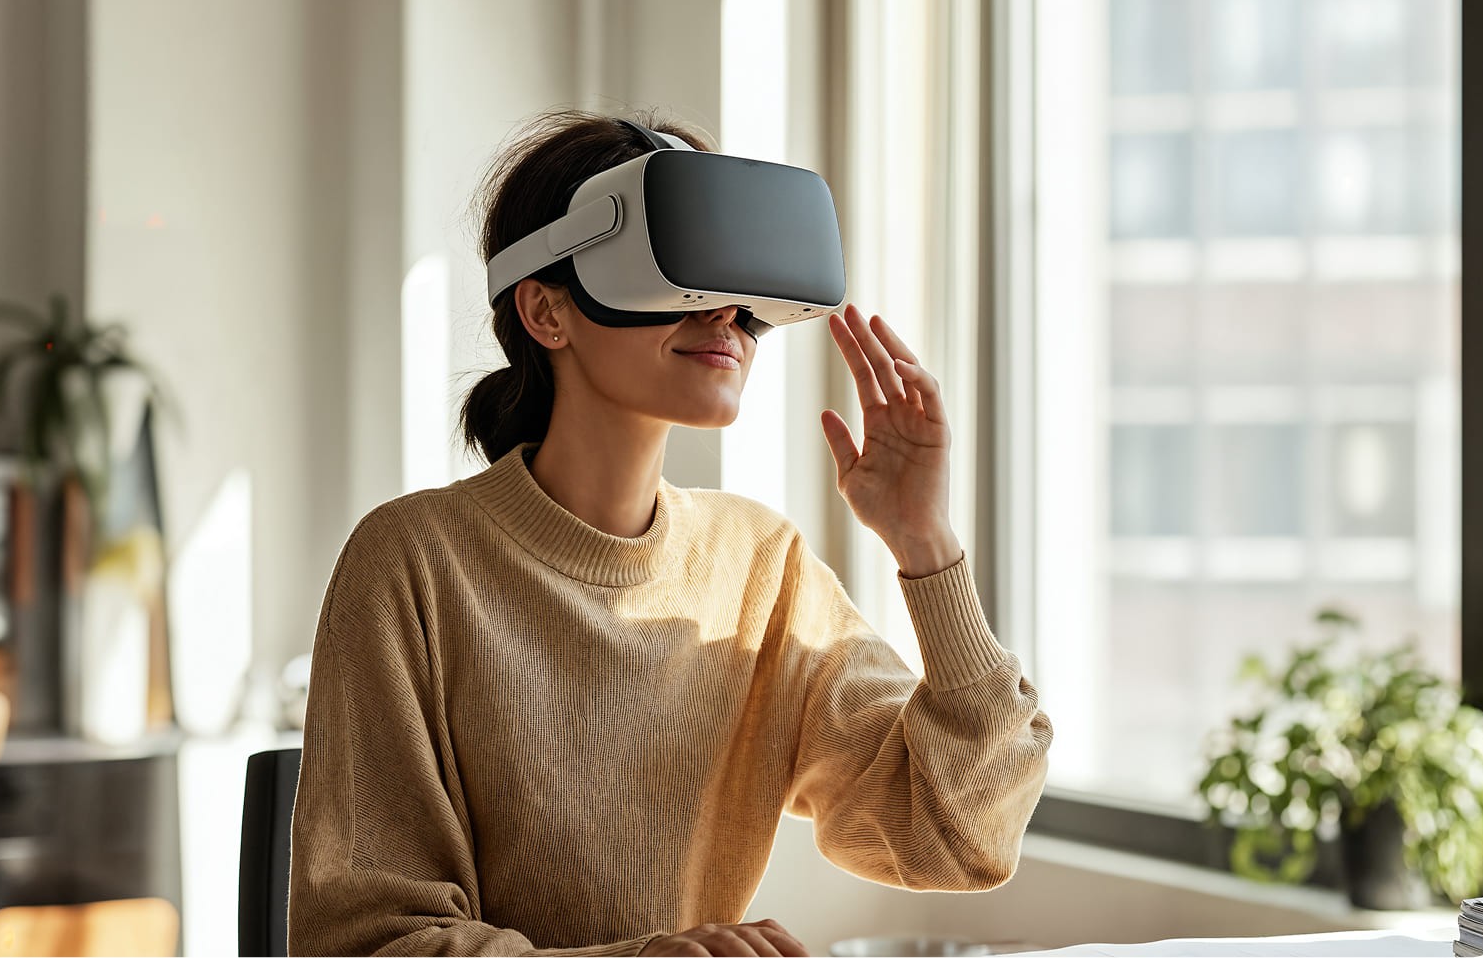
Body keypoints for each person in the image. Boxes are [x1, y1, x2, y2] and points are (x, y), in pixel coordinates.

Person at [287, 107, 1054, 957]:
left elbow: (959, 836)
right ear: (547, 310)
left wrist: (926, 543)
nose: (725, 312)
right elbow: (362, 944)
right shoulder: (413, 563)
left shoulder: (760, 566)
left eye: (740, 287)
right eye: (678, 273)